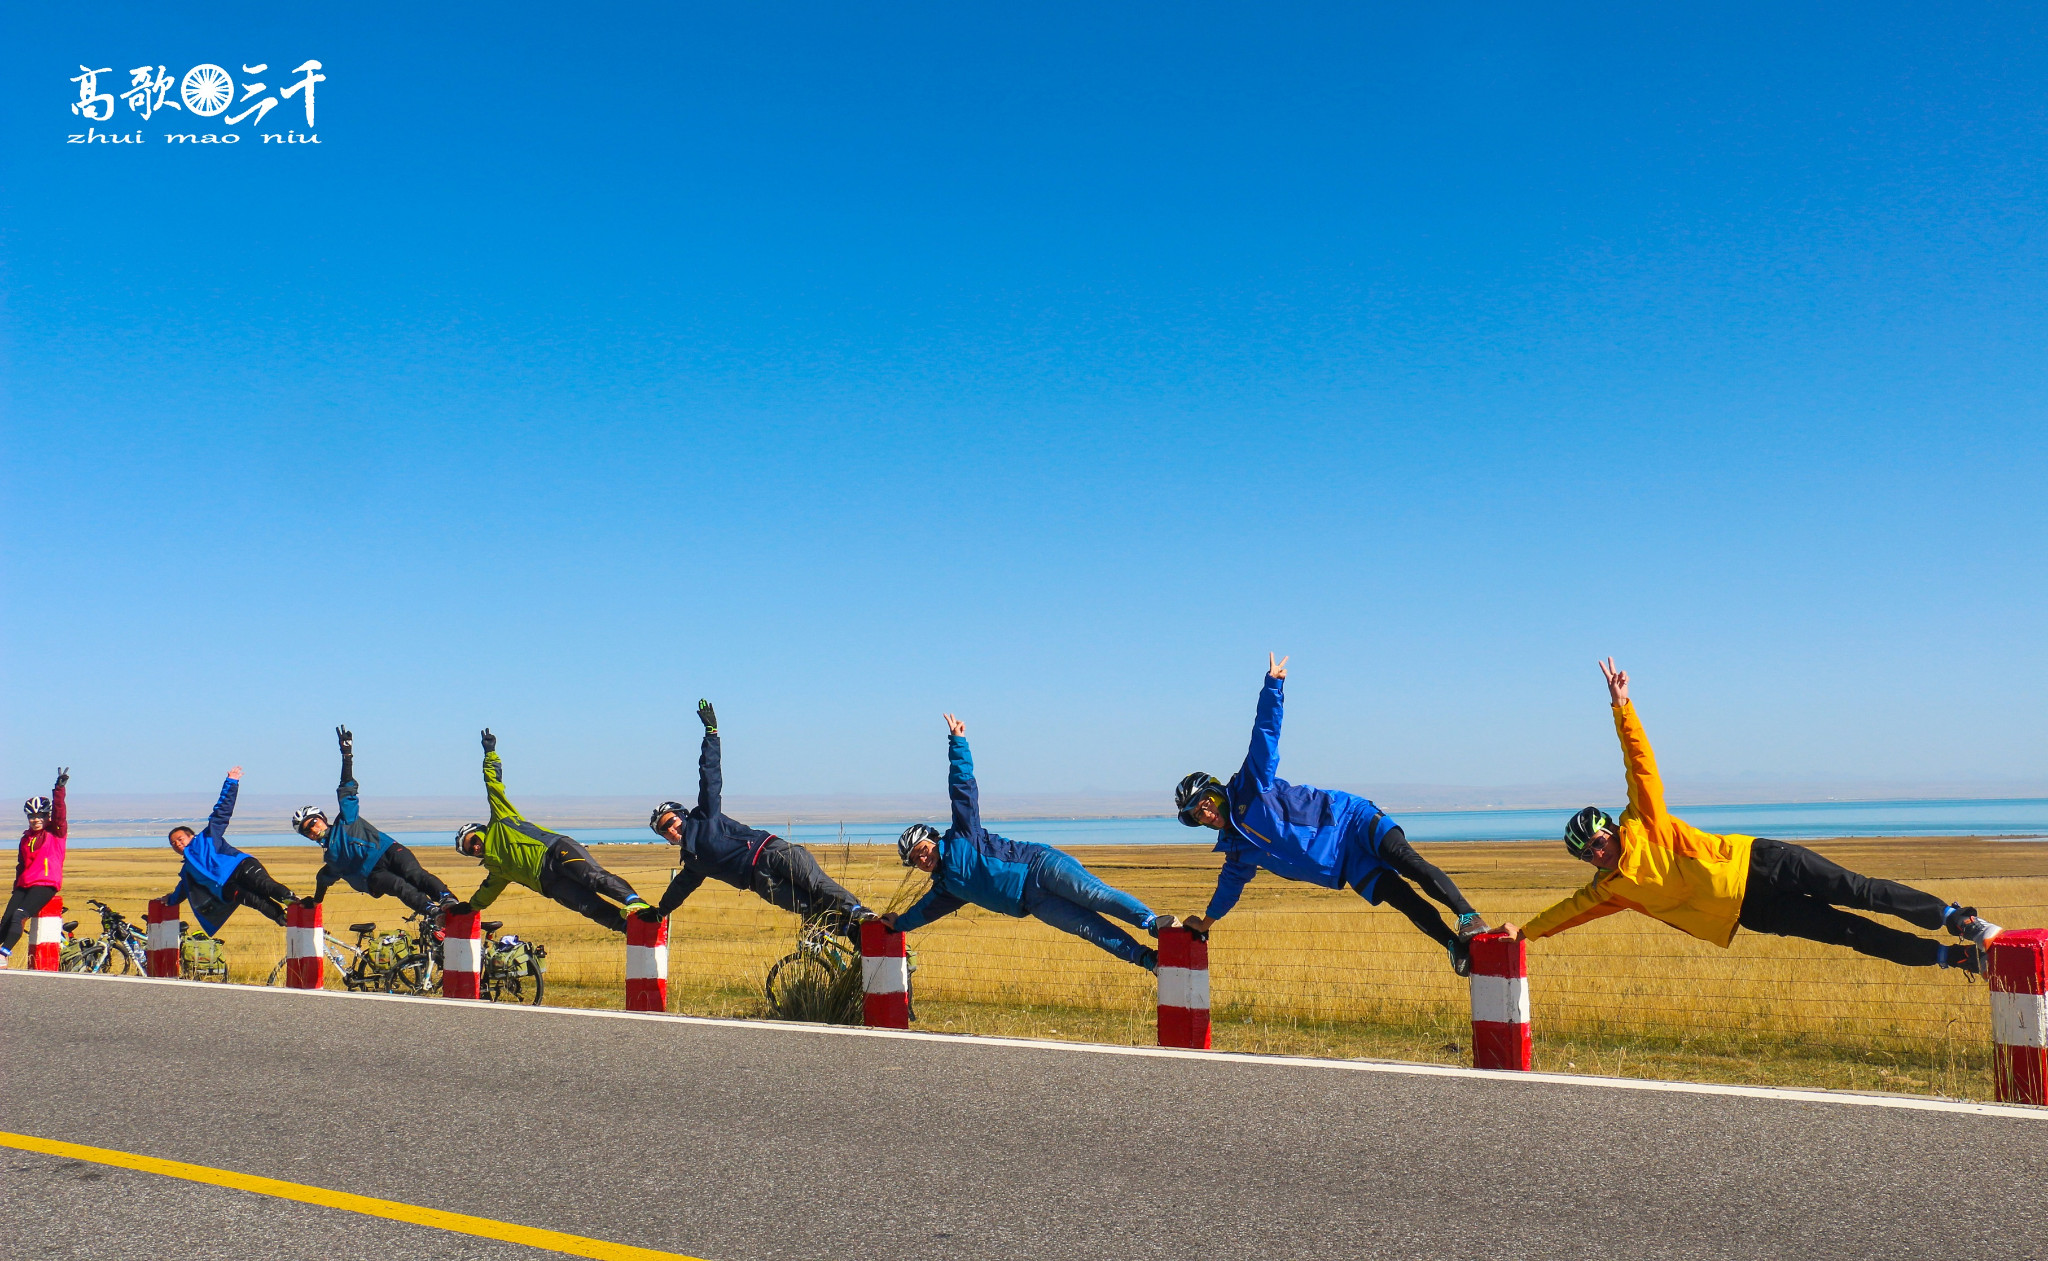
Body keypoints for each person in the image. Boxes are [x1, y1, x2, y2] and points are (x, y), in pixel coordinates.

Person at [1499, 659, 2000, 973]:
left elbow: (1640, 763)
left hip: (1760, 862)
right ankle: (1950, 957)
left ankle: (1958, 919)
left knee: (1859, 890)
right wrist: (1522, 933)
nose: (1597, 852)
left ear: (1609, 828)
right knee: (1849, 933)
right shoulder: (1609, 891)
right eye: (1587, 853)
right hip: (1753, 912)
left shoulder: (1644, 822)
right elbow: (1565, 913)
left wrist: (1622, 707)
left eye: (1598, 840)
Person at [1177, 655, 1490, 975]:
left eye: (1206, 804)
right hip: (1345, 864)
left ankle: (1469, 917)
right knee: (1403, 900)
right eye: (1198, 816)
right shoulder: (1237, 849)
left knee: (1409, 863)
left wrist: (1273, 685)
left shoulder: (1250, 785)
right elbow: (1229, 888)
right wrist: (1205, 923)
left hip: (1351, 820)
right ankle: (1454, 944)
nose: (1207, 814)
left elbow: (1265, 734)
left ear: (1215, 792)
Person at [881, 712, 1175, 971]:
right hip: (1033, 902)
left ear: (933, 840)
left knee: (1096, 895)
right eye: (915, 860)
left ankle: (1152, 924)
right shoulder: (947, 889)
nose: (922, 859)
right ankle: (1149, 960)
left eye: (922, 850)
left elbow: (962, 788)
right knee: (1089, 927)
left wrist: (957, 743)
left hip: (1040, 866)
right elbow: (925, 912)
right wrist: (899, 924)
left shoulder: (962, 835)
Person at [645, 700, 871, 937]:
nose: (670, 830)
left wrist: (711, 734)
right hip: (762, 883)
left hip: (772, 853)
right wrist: (660, 911)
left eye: (671, 822)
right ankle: (859, 937)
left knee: (819, 886)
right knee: (812, 910)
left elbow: (710, 776)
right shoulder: (692, 861)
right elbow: (680, 888)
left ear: (682, 816)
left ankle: (863, 916)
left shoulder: (705, 816)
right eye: (663, 831)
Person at [454, 729, 656, 932]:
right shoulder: (496, 871)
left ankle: (636, 902)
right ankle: (632, 931)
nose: (475, 847)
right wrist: (470, 908)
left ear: (479, 831)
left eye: (472, 841)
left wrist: (490, 753)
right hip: (549, 884)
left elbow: (493, 785)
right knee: (589, 907)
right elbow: (487, 893)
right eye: (470, 850)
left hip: (554, 851)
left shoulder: (500, 821)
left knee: (593, 878)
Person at [293, 725, 457, 918]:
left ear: (322, 818)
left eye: (313, 822)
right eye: (307, 831)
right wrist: (316, 902)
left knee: (415, 874)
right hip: (371, 875)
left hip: (387, 850)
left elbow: (346, 789)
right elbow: (322, 879)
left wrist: (347, 755)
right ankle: (435, 913)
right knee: (400, 887)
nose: (313, 829)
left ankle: (449, 900)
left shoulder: (346, 820)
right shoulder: (331, 860)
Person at [162, 767, 300, 932]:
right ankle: (285, 919)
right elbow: (183, 889)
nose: (177, 844)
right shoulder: (187, 870)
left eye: (179, 839)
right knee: (257, 902)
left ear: (191, 836)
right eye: (173, 843)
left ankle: (294, 902)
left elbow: (222, 812)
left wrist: (231, 782)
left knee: (265, 885)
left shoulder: (208, 836)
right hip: (227, 887)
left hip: (240, 867)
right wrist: (169, 900)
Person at [2, 768, 69, 964]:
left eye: (40, 815)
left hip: (45, 884)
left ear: (47, 816)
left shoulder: (56, 832)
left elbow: (60, 813)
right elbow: (20, 866)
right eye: (32, 816)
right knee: (5, 921)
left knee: (19, 916)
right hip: (24, 885)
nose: (36, 819)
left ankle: (3, 955)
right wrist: (17, 889)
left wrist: (59, 789)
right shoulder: (25, 839)